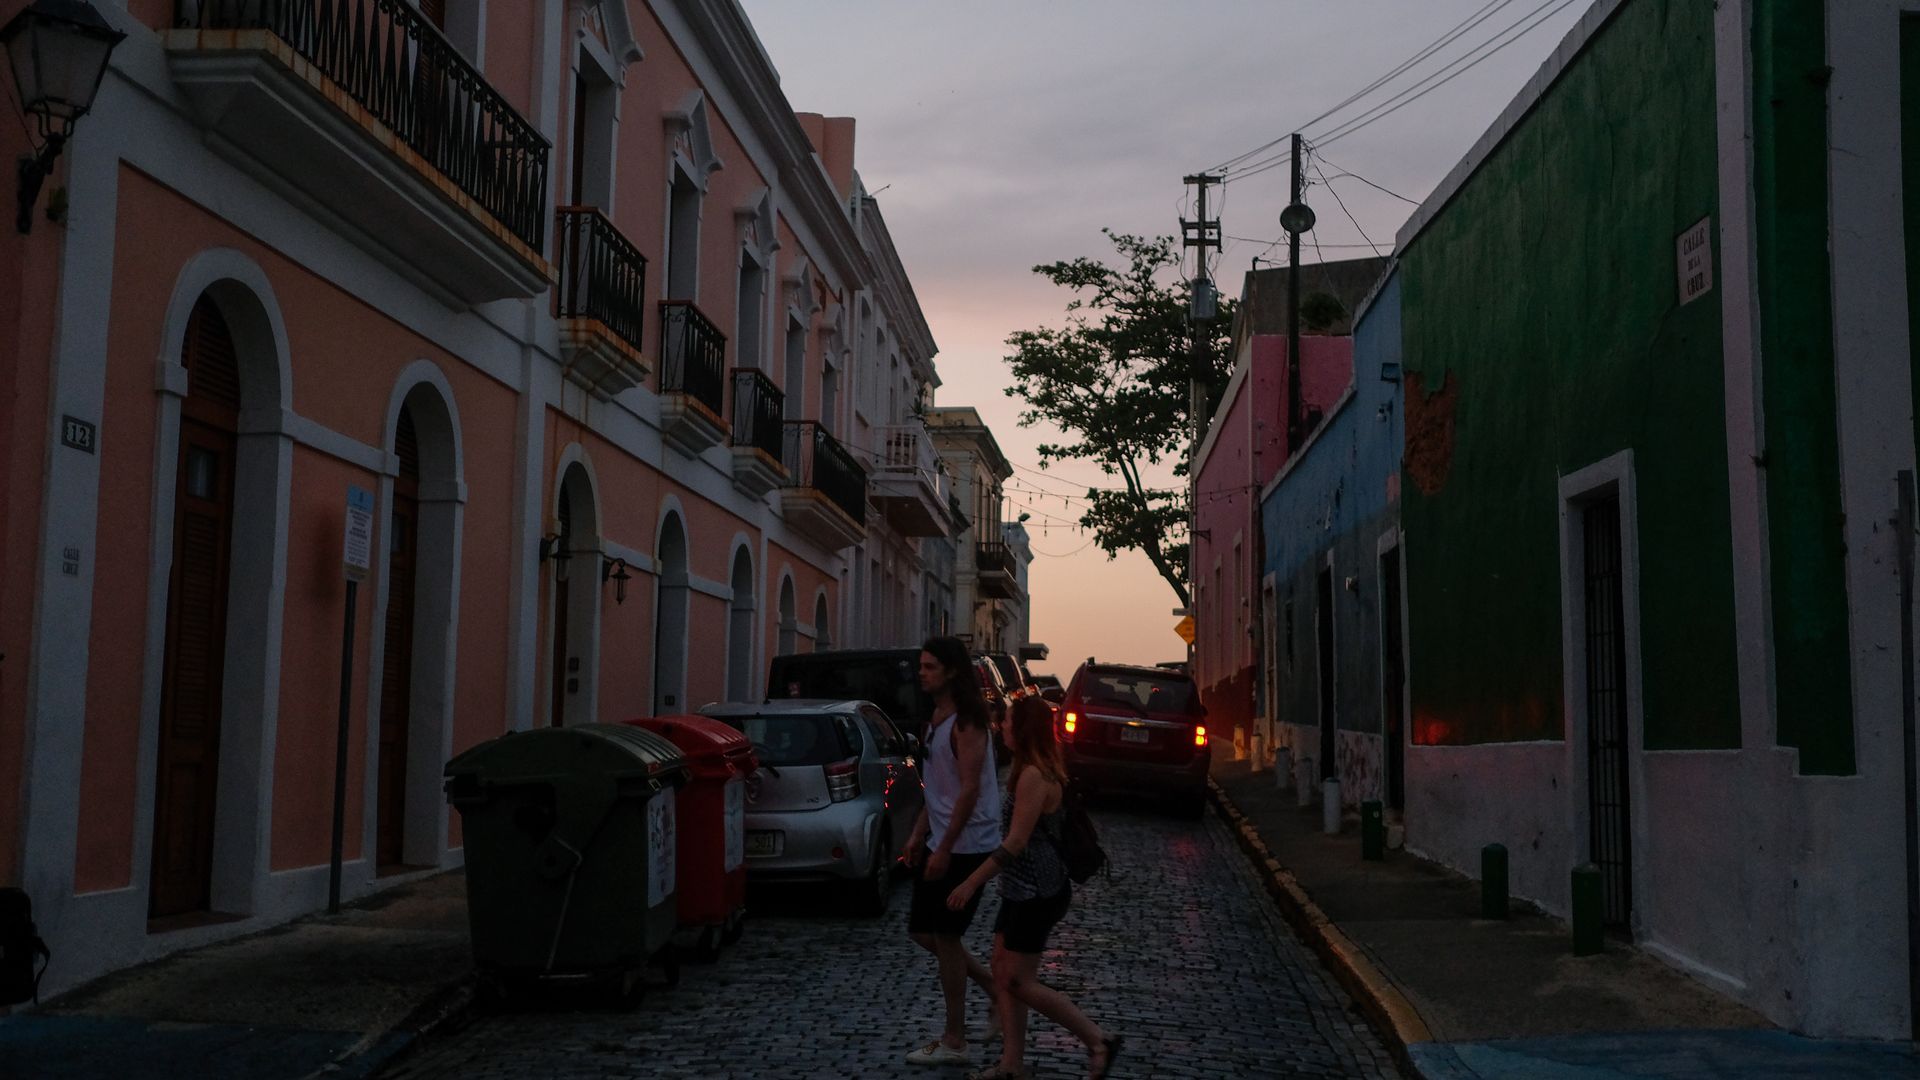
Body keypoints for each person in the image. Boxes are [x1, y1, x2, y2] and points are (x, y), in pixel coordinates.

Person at [946, 696, 1121, 1080]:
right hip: (1020, 890)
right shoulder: (1026, 769)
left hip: (1038, 893)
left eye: (1007, 721)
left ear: (1022, 728)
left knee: (1016, 980)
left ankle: (1097, 1039)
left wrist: (971, 882)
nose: (1001, 726)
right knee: (1000, 969)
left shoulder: (1034, 775)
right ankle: (1012, 1065)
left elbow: (1016, 843)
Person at [904, 637, 1005, 1067]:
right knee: (922, 931)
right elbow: (938, 789)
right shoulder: (936, 719)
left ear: (950, 672)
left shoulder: (968, 723)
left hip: (969, 844)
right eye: (921, 666)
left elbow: (968, 791)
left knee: (946, 936)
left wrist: (944, 849)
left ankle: (955, 1039)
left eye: (929, 667)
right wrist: (917, 834)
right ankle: (996, 990)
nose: (921, 673)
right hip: (941, 839)